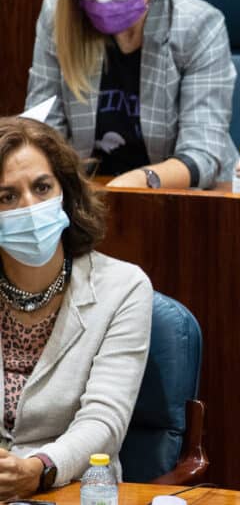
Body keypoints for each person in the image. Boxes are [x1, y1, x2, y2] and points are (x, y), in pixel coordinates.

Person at [25, 0, 237, 190]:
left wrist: (137, 183)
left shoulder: (199, 26)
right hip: (87, 196)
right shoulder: (57, 15)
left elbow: (202, 155)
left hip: (181, 198)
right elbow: (43, 133)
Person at [0, 116, 152, 498]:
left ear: (65, 191)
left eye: (41, 187)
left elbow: (103, 422)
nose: (29, 207)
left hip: (71, 488)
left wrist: (38, 469)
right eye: (7, 197)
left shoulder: (124, 288)